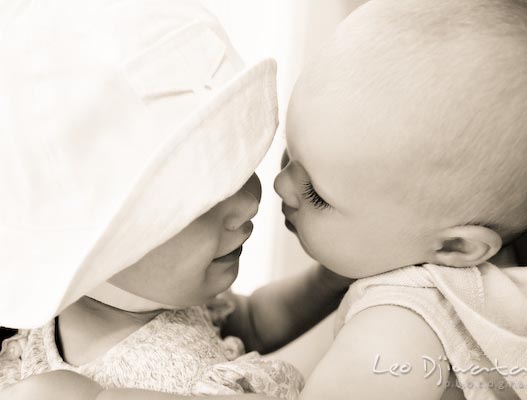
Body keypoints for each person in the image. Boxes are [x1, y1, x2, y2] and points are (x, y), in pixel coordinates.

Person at [0, 1, 349, 399]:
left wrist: (330, 281)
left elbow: (251, 321)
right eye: (204, 199)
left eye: (239, 171)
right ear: (100, 249)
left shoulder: (165, 295)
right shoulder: (60, 386)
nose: (252, 200)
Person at [274, 0, 527, 399]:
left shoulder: (395, 337)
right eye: (289, 153)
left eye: (316, 195)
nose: (280, 186)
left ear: (456, 246)